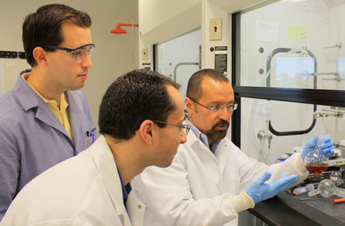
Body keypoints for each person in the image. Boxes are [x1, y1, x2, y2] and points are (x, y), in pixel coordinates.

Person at [133, 68, 334, 226]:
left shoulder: (224, 146)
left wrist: (302, 161)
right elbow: (179, 215)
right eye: (215, 107)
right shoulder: (164, 148)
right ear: (190, 105)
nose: (225, 115)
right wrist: (241, 201)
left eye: (230, 106)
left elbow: (262, 177)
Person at [0, 69, 188, 226]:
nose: (184, 138)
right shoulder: (77, 214)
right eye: (180, 126)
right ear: (148, 132)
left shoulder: (122, 182)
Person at [0, 4, 96, 220]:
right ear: (41, 56)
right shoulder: (6, 124)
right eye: (76, 53)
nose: (88, 63)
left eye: (88, 51)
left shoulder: (78, 101)